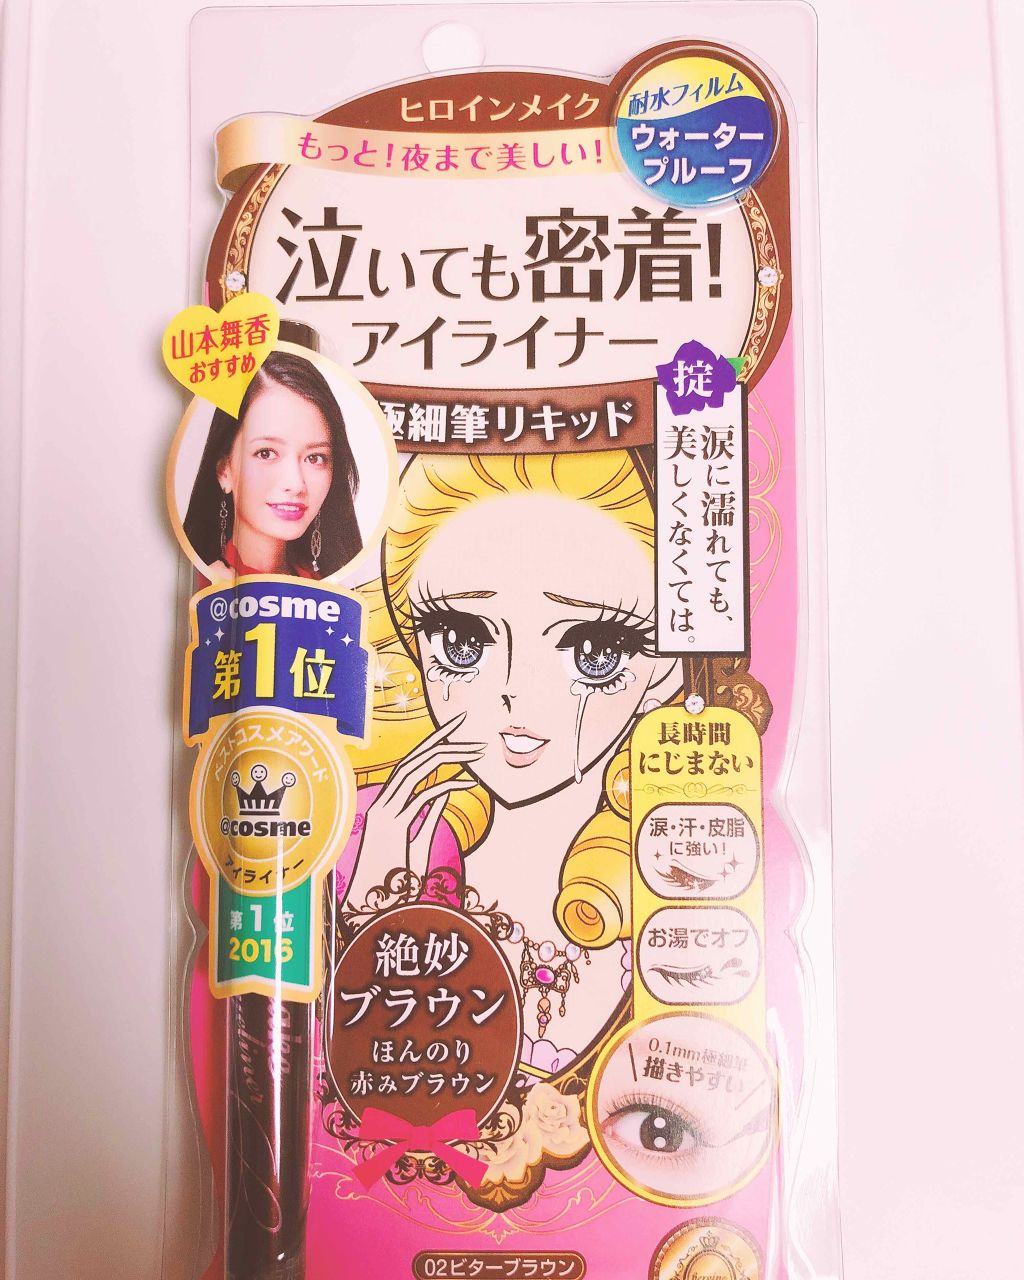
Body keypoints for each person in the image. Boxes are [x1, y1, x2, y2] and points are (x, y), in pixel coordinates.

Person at [183, 350, 361, 579]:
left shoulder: (332, 586)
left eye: (315, 458)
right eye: (266, 453)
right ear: (224, 470)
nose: (295, 484)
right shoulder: (202, 585)